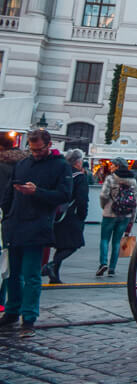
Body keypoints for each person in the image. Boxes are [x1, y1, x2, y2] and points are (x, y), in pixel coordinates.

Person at [0, 129, 71, 335]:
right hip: (15, 223)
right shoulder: (22, 164)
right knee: (11, 273)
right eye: (32, 150)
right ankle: (12, 311)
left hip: (37, 224)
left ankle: (28, 317)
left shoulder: (60, 166)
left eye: (39, 150)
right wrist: (5, 215)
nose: (36, 153)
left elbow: (64, 194)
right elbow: (8, 193)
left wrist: (37, 192)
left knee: (31, 274)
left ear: (48, 145)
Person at [44, 149, 88, 284]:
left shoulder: (61, 173)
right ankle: (51, 265)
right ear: (78, 162)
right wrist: (82, 215)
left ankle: (54, 276)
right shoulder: (79, 177)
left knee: (61, 245)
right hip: (71, 214)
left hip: (56, 213)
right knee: (74, 244)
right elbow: (82, 199)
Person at [0, 133, 30, 315]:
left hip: (6, 217)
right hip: (20, 217)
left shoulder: (3, 166)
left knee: (7, 262)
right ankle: (10, 304)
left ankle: (5, 302)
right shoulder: (24, 165)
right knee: (9, 265)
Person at [97, 158, 137, 277]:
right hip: (125, 215)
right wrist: (132, 218)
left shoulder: (111, 178)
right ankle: (112, 268)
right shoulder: (132, 180)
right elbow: (136, 200)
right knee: (117, 241)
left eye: (113, 165)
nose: (111, 167)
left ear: (118, 166)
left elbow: (103, 195)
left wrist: (105, 206)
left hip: (110, 213)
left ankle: (103, 263)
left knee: (104, 239)